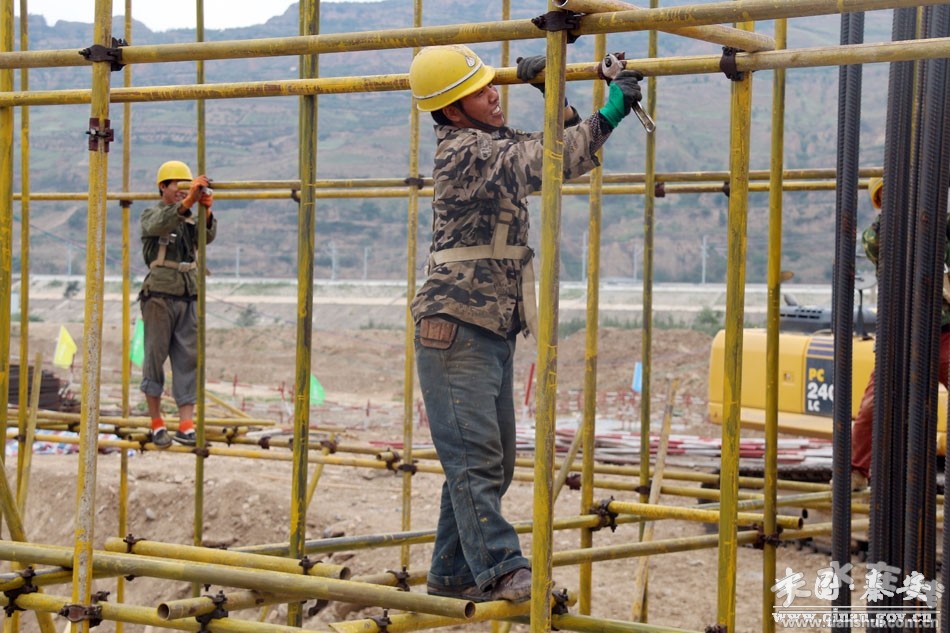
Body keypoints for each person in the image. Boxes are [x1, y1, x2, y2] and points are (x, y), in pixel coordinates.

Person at [407, 44, 643, 603]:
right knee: (475, 461)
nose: (494, 94)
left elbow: (562, 155)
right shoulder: (463, 152)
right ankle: (500, 567)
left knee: (492, 462)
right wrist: (611, 111)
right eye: (480, 91)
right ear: (452, 110)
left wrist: (553, 97)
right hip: (455, 325)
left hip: (489, 324)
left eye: (492, 85)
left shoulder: (490, 143)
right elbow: (547, 161)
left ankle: (451, 571)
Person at [850, 176, 950, 490]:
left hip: (943, 331)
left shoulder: (939, 224)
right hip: (901, 336)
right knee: (873, 404)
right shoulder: (877, 236)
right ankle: (855, 470)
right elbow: (898, 246)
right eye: (888, 198)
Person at [139, 160, 216, 448]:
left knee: (188, 359)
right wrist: (188, 202)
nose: (183, 191)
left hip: (188, 294)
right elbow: (160, 224)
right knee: (155, 358)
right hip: (159, 295)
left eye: (188, 187)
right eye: (178, 186)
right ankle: (157, 423)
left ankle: (186, 424)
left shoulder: (188, 220)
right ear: (163, 187)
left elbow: (205, 238)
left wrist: (206, 210)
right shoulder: (152, 214)